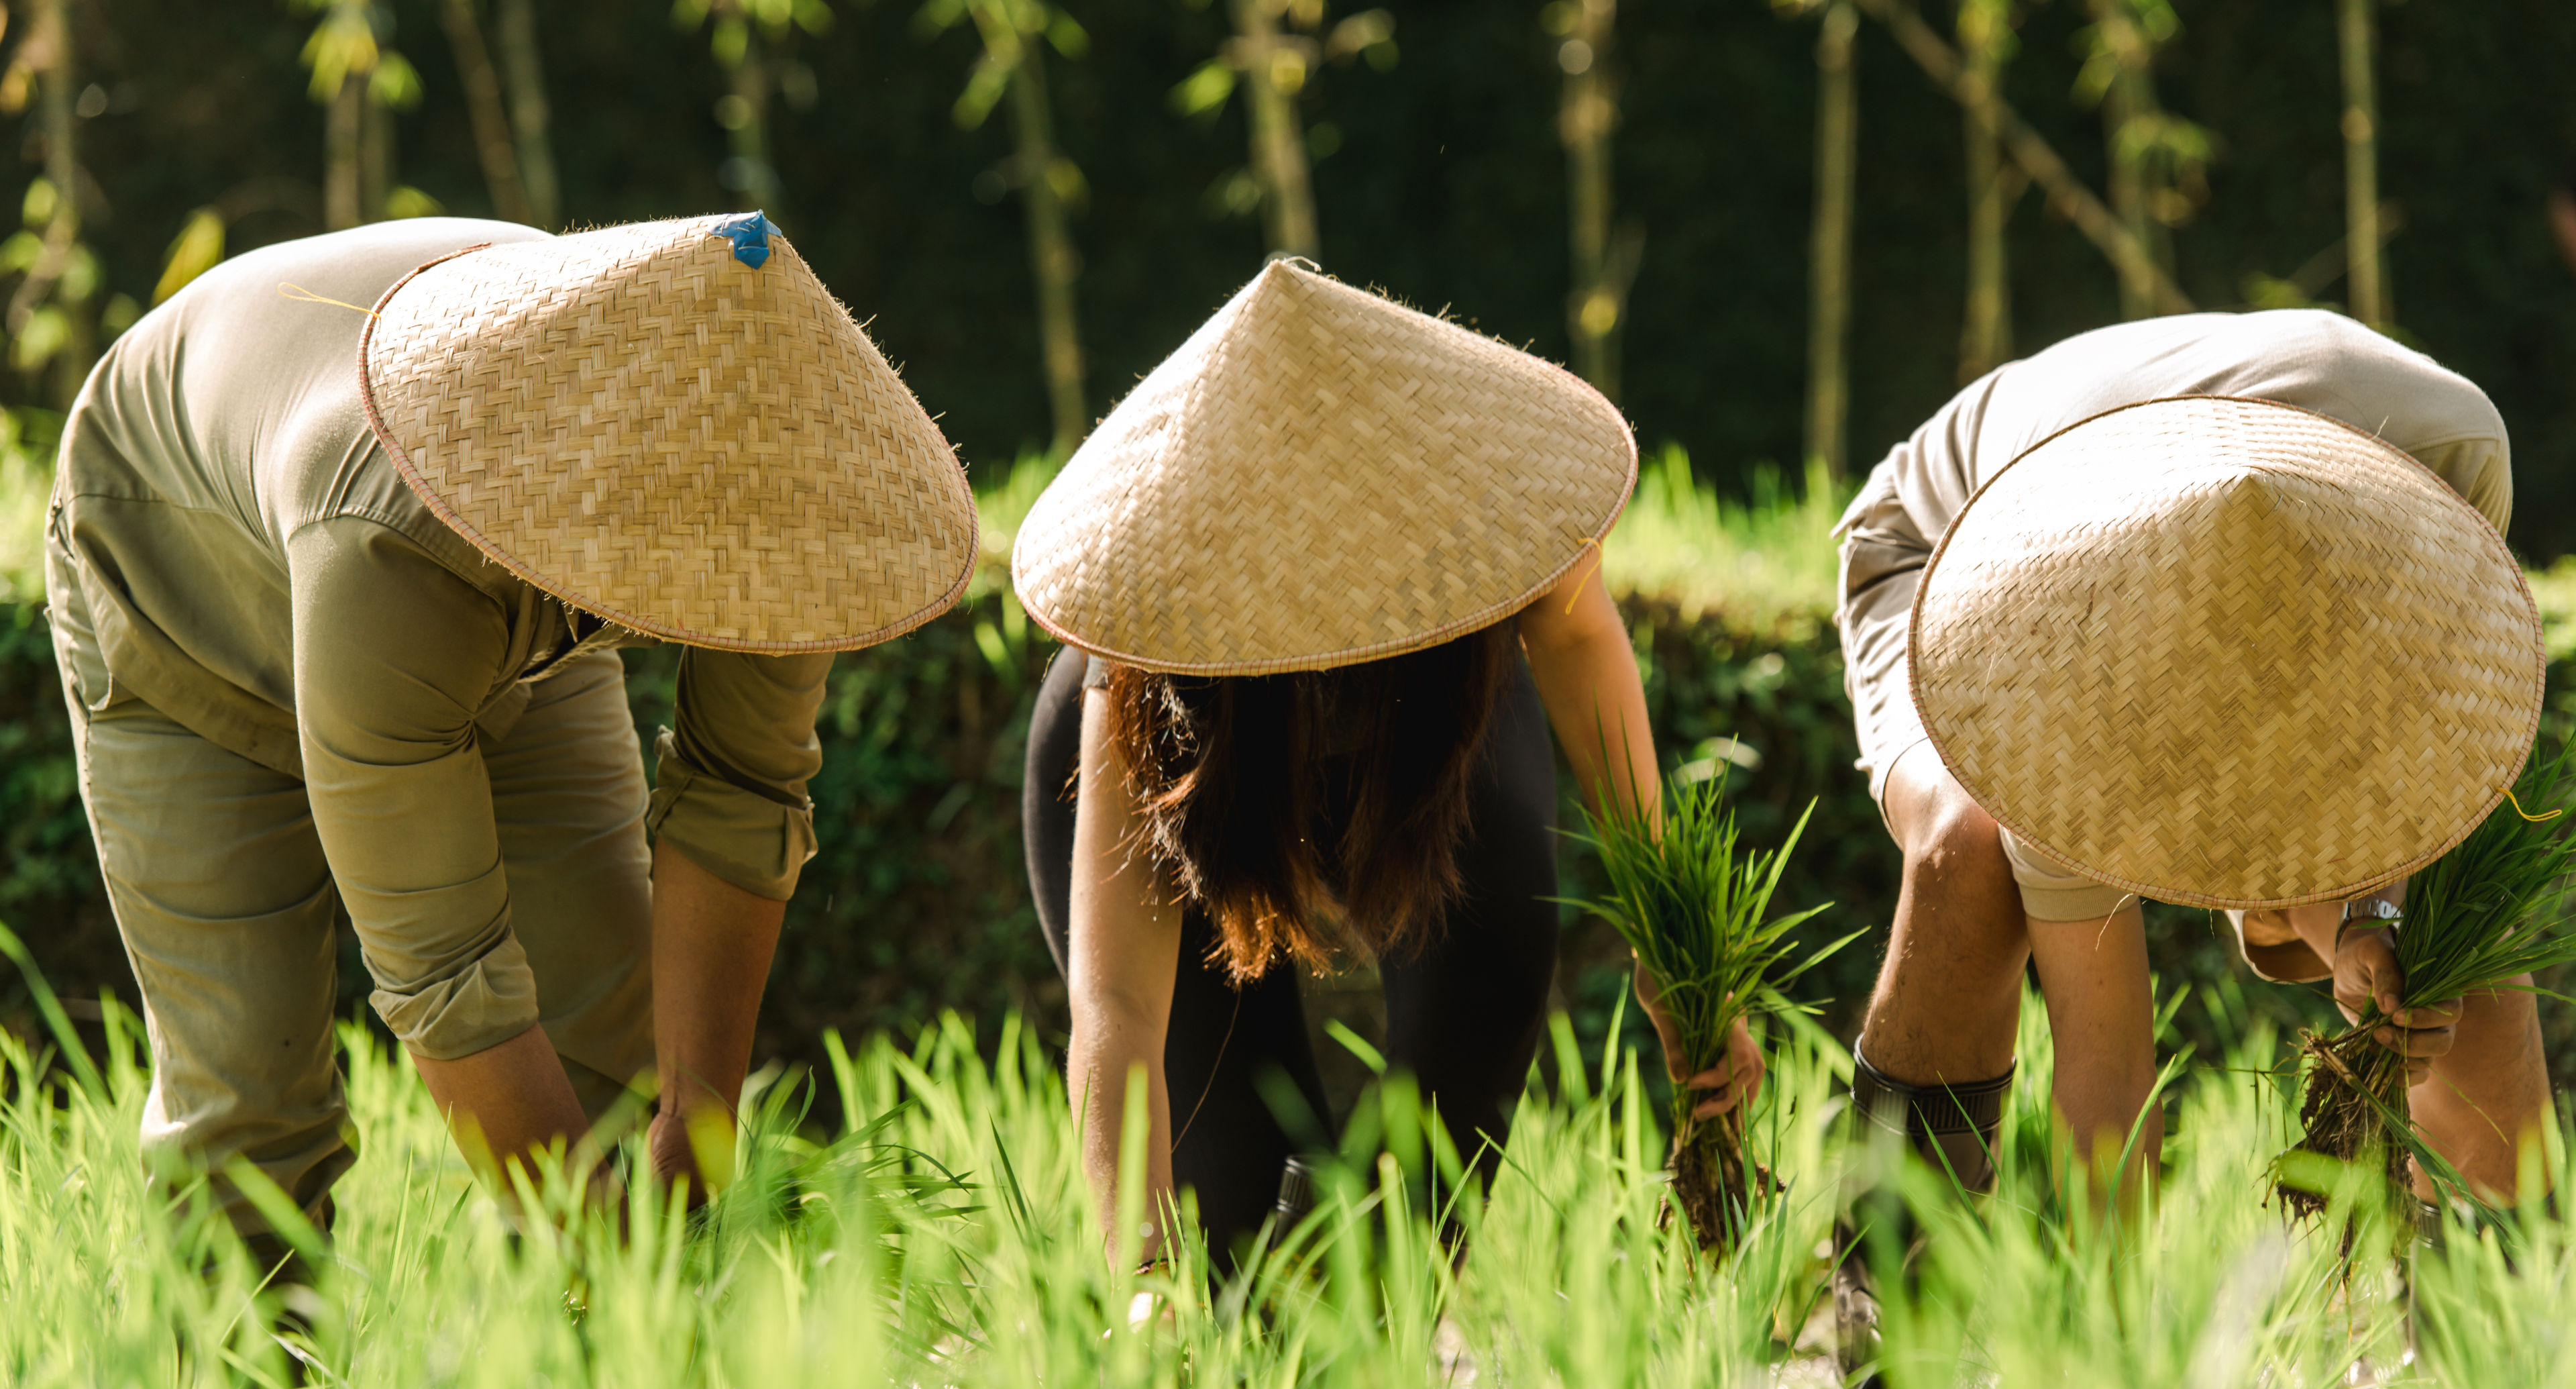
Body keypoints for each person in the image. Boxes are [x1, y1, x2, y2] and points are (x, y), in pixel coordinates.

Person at [43, 212, 977, 1255]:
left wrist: (695, 1119)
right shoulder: (393, 550)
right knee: (252, 1105)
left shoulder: (776, 495)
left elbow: (743, 793)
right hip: (175, 581)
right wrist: (608, 1269)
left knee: (614, 1068)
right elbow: (446, 975)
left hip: (482, 611)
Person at [1014, 259, 1764, 1264]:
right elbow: (1120, 1008)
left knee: (1413, 1236)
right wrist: (1139, 1277)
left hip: (1442, 733)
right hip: (1207, 755)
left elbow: (1582, 643)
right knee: (1240, 1264)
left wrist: (1676, 957)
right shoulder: (1152, 651)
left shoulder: (1490, 517)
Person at [1829, 309, 2546, 1353]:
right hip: (1947, 548)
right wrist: (2111, 1370)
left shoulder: (2451, 456)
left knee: (2478, 1049)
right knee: (1967, 848)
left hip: (2285, 524)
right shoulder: (2047, 668)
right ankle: (1884, 1344)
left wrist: (2364, 921)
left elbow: (2391, 757)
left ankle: (2495, 1348)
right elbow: (2107, 1063)